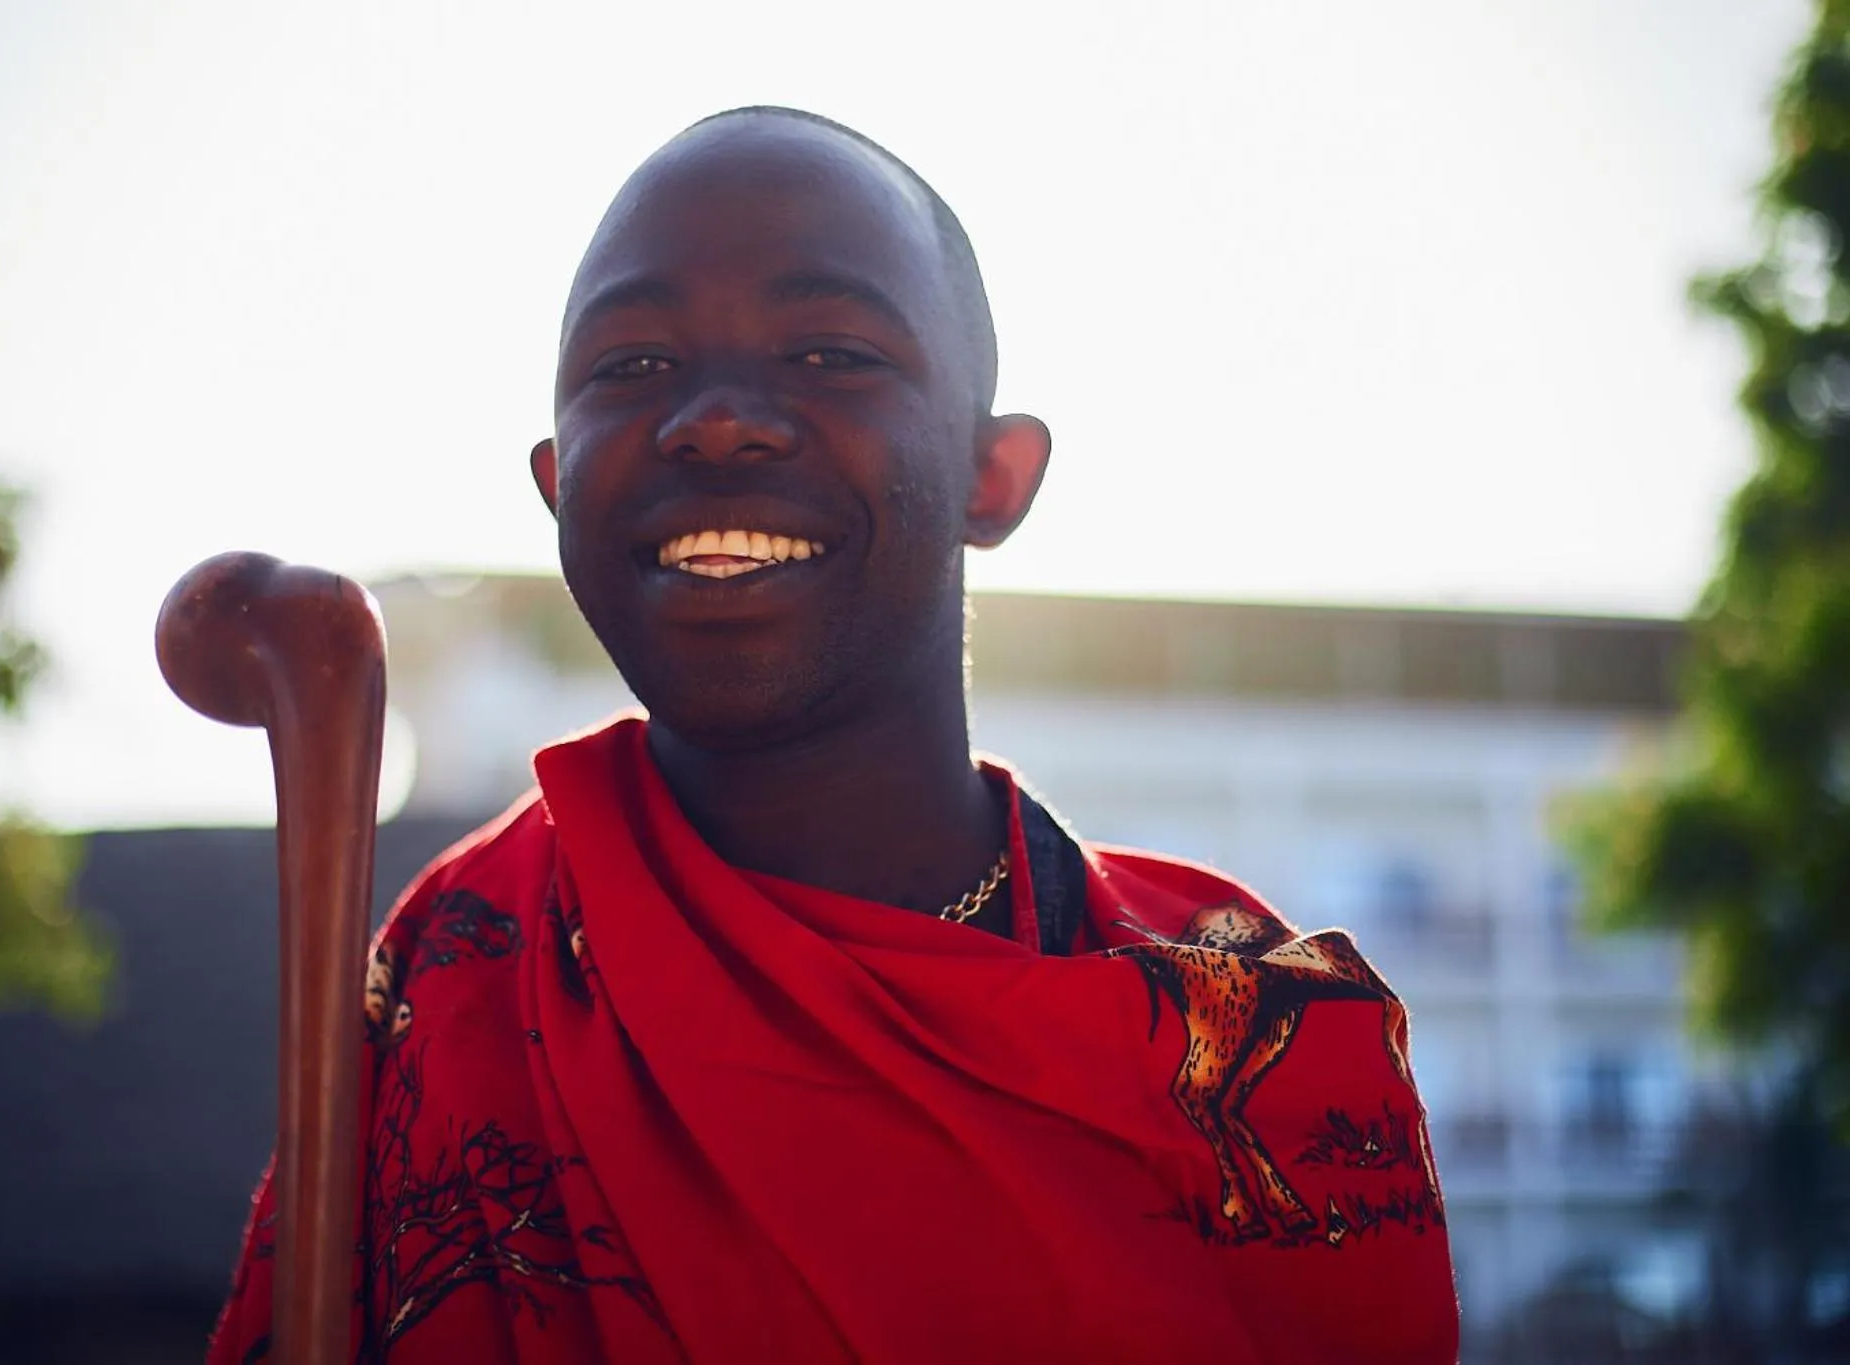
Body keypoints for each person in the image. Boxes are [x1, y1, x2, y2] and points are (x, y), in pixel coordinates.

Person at [208, 106, 1459, 1364]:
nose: (715, 421)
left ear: (993, 476)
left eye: (826, 353)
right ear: (554, 483)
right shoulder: (452, 968)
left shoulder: (1247, 1031)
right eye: (632, 366)